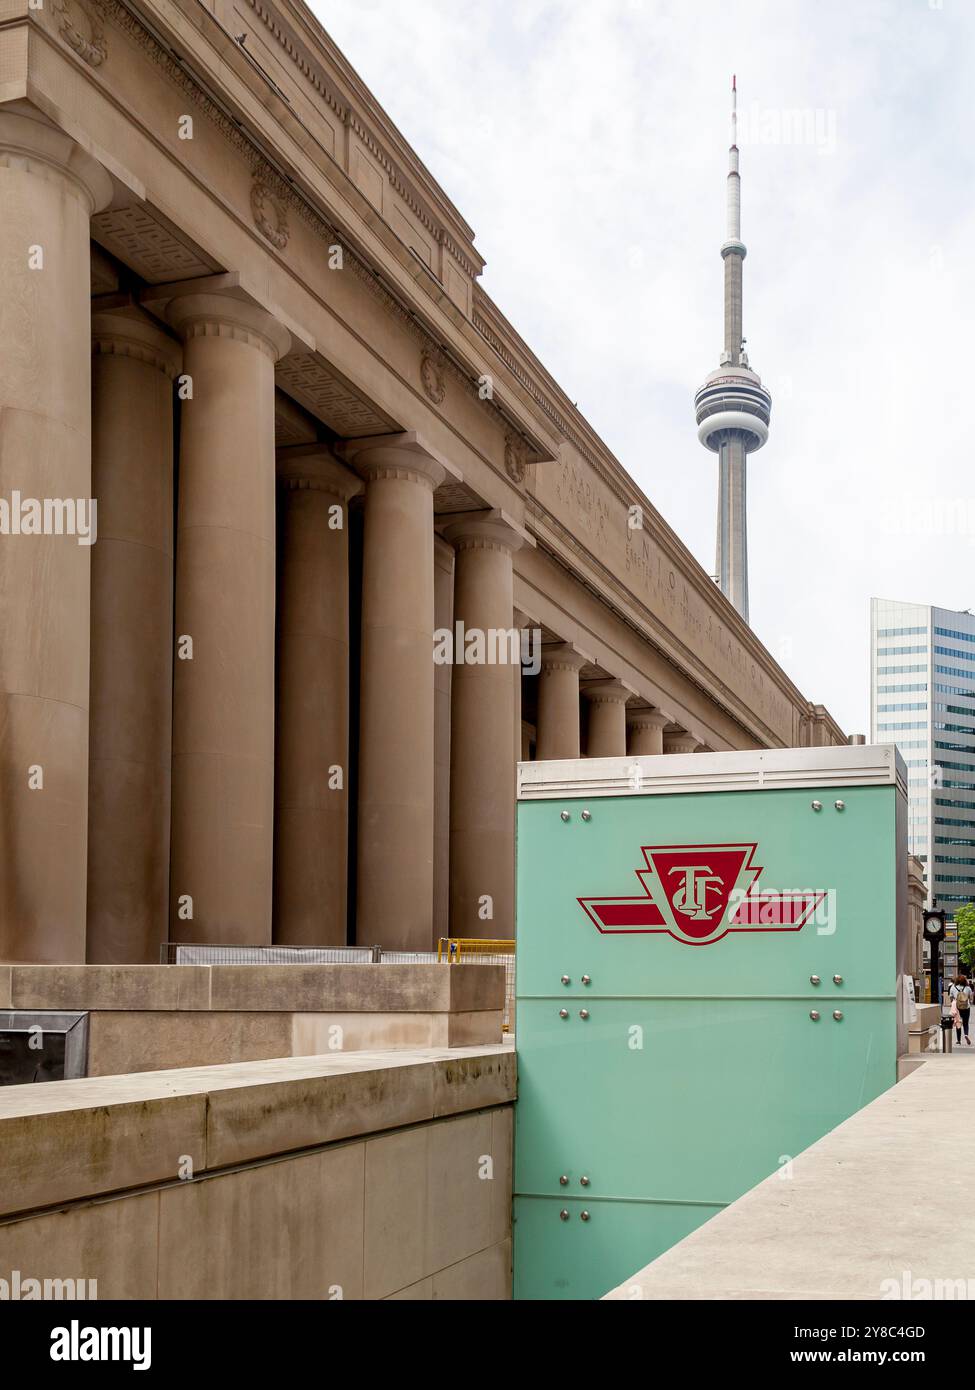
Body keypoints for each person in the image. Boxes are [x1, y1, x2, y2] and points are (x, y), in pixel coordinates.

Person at [949, 975, 973, 1045]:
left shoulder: (953, 987)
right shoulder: (968, 988)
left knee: (958, 1023)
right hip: (966, 1007)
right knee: (966, 1022)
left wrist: (953, 1002)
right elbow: (971, 997)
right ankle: (966, 1035)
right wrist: (969, 1001)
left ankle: (958, 1040)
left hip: (957, 1007)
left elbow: (951, 997)